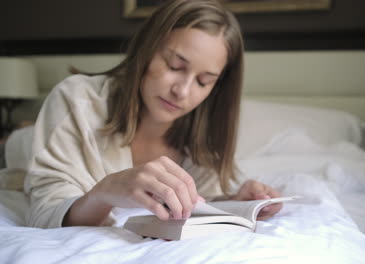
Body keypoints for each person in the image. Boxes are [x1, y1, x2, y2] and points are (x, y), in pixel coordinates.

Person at [24, 0, 282, 229]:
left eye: (204, 81)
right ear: (146, 49)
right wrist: (104, 192)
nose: (182, 91)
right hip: (28, 147)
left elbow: (204, 198)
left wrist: (234, 202)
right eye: (174, 66)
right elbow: (47, 212)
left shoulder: (203, 134)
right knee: (20, 143)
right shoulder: (76, 100)